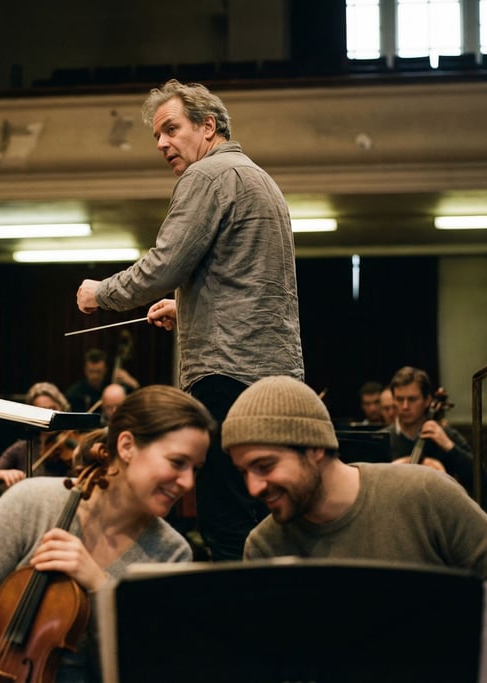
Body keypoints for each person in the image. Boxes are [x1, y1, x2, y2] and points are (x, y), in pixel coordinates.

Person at [76, 79, 304, 561]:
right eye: (157, 135)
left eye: (171, 129)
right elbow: (256, 288)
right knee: (268, 519)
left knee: (227, 521)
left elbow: (163, 267)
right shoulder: (263, 180)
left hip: (226, 380)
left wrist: (101, 293)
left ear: (208, 126)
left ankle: (234, 612)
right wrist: (189, 309)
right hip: (277, 383)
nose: (162, 143)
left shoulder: (206, 176)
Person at [222, 376, 487, 683]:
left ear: (314, 448)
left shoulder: (424, 494)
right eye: (243, 472)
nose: (253, 488)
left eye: (265, 466)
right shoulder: (264, 546)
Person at [0, 384, 214, 683]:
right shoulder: (30, 503)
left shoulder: (172, 553)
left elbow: (149, 666)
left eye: (196, 469)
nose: (188, 483)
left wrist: (102, 588)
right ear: (126, 446)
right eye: (177, 462)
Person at [381, 365, 476, 493]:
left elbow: (482, 480)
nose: (405, 406)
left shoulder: (445, 435)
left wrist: (448, 446)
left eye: (412, 399)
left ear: (427, 400)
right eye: (399, 399)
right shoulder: (381, 439)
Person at [0, 382, 74, 502]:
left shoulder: (72, 445)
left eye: (53, 408)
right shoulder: (22, 448)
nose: (49, 415)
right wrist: (0, 474)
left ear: (62, 409)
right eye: (41, 410)